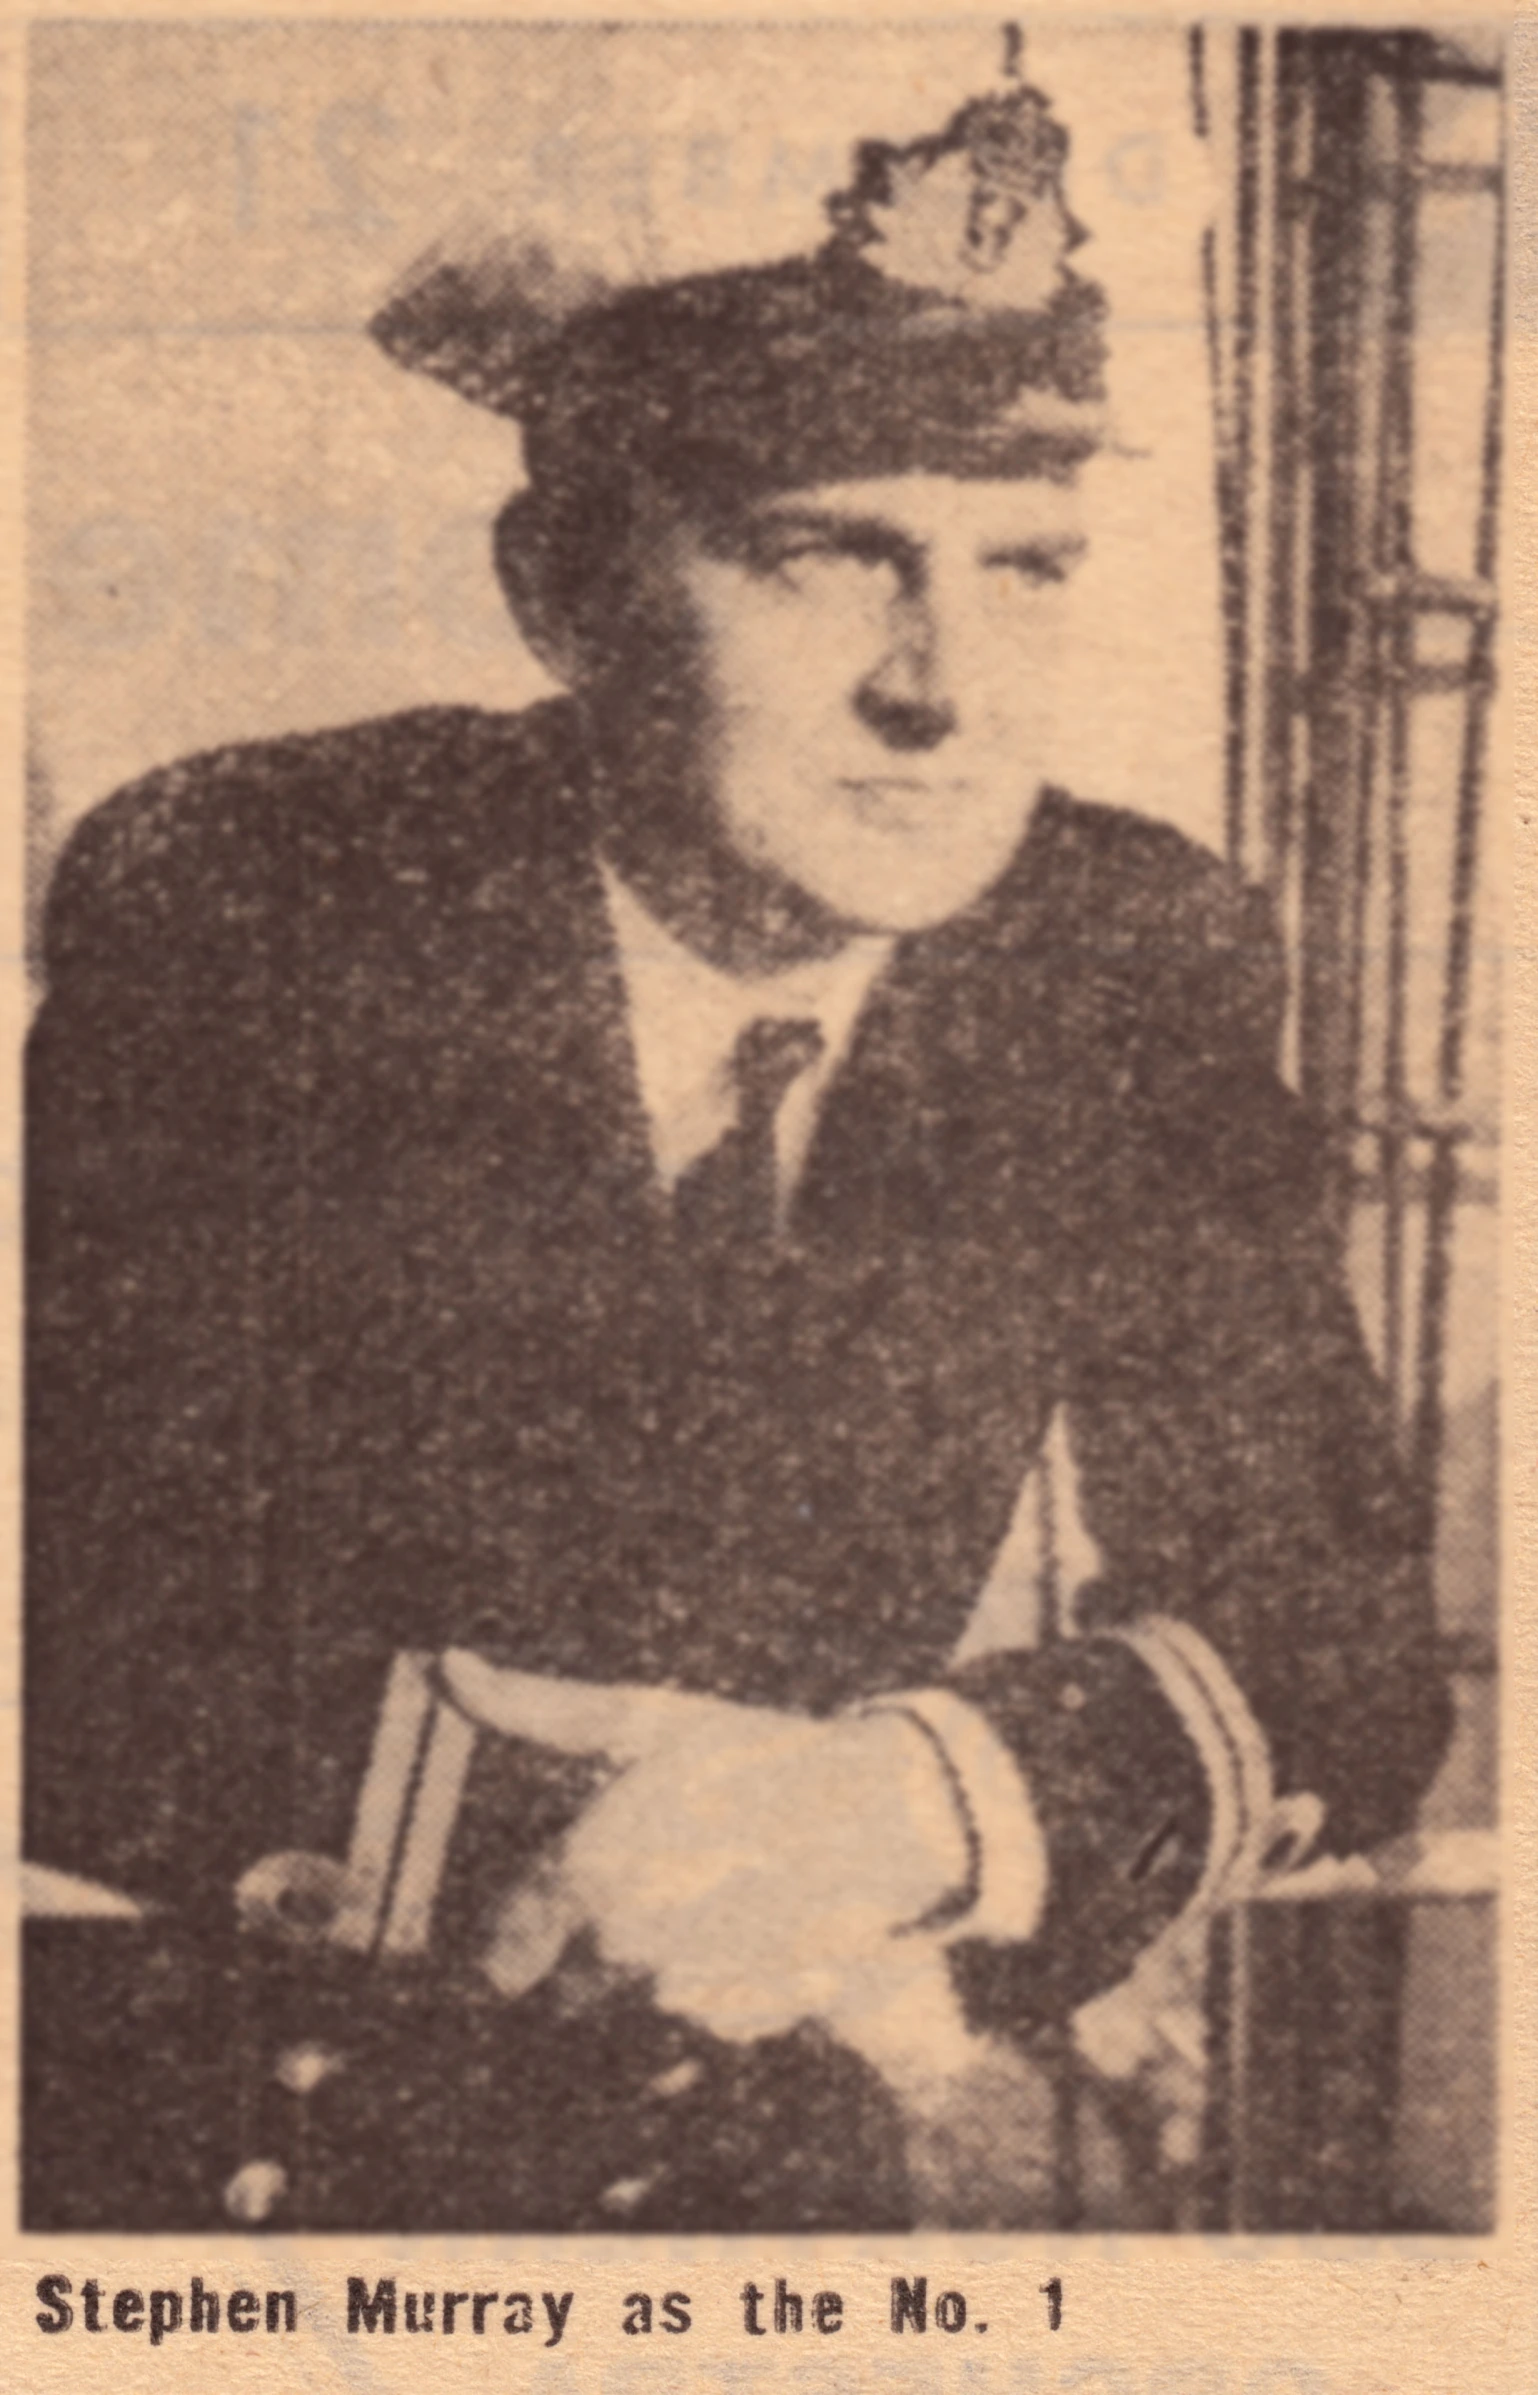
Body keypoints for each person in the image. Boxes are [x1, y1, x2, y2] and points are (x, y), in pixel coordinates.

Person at [24, 80, 1450, 2232]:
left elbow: (1333, 1635)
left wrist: (913, 1804)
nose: (943, 690)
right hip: (227, 2127)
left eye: (1026, 570)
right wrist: (591, 1845)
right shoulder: (264, 901)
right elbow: (70, 1598)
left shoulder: (1116, 952)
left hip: (764, 2149)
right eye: (821, 558)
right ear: (563, 596)